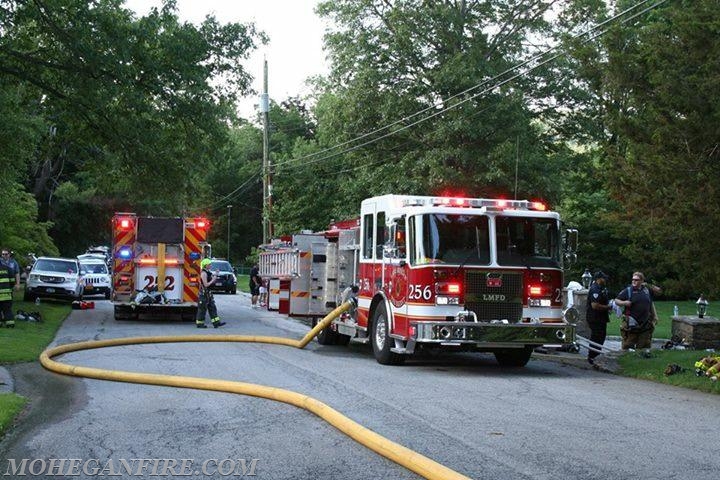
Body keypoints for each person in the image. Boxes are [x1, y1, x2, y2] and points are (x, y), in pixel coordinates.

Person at [614, 271, 658, 350]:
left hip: (645, 324)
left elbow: (651, 302)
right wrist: (624, 302)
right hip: (631, 325)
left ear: (641, 281)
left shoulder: (647, 290)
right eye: (633, 279)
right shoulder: (627, 291)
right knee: (627, 346)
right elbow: (616, 300)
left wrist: (655, 316)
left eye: (636, 280)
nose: (634, 281)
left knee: (644, 346)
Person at [586, 271, 612, 365]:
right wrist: (608, 307)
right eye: (603, 278)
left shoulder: (601, 288)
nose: (605, 280)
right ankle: (592, 356)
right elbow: (595, 305)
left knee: (601, 336)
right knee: (596, 337)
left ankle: (596, 355)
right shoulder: (595, 289)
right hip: (595, 318)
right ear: (598, 279)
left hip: (601, 318)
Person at [196, 258, 226, 329]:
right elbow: (206, 284)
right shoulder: (203, 273)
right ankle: (200, 324)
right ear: (205, 265)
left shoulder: (208, 272)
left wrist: (216, 274)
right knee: (202, 309)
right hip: (204, 294)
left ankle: (216, 323)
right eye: (209, 264)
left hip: (208, 294)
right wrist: (213, 279)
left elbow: (211, 279)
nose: (210, 265)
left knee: (212, 308)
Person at [0, 248, 21, 328]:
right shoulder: (8, 268)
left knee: (6, 308)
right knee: (7, 308)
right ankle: (10, 323)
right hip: (7, 292)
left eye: (6, 254)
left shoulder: (13, 263)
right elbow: (12, 280)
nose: (4, 256)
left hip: (6, 291)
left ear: (9, 254)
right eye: (3, 254)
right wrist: (10, 286)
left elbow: (17, 273)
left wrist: (18, 284)